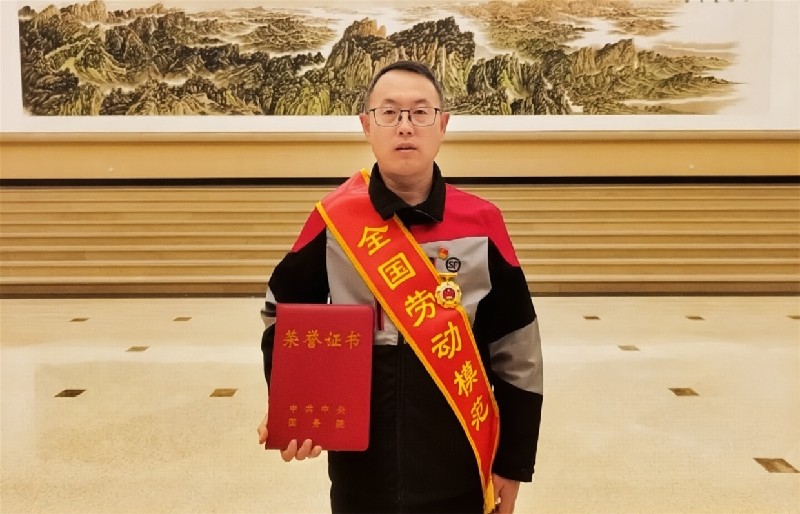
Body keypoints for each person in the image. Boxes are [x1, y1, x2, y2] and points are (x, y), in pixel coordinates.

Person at [257, 60, 543, 514]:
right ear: (366, 125)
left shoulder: (482, 223)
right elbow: (281, 314)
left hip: (461, 469)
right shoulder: (333, 221)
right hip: (360, 477)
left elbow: (517, 350)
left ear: (442, 125)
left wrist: (513, 462)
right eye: (389, 112)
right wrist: (295, 403)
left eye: (420, 112)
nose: (405, 126)